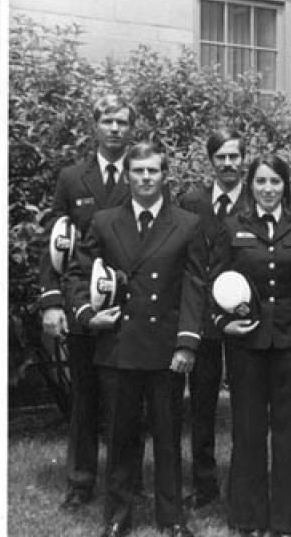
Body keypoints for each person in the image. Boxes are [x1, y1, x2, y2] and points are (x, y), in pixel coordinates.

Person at [67, 141, 207, 537]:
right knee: (120, 436)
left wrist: (186, 342)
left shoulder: (186, 223)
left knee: (167, 437)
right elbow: (78, 274)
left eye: (154, 171)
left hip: (165, 348)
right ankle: (117, 516)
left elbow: (195, 286)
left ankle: (172, 517)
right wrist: (88, 313)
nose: (146, 178)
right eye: (139, 171)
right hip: (119, 344)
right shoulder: (104, 221)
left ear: (166, 176)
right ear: (127, 175)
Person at [211, 154, 291, 537]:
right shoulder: (232, 227)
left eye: (275, 182)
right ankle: (247, 517)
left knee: (290, 430)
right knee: (248, 428)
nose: (268, 189)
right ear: (251, 185)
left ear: (286, 186)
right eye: (261, 182)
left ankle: (287, 519)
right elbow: (215, 283)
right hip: (247, 343)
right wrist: (226, 322)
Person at [37, 93, 137, 512]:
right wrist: (52, 301)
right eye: (108, 121)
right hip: (80, 302)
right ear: (95, 126)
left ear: (132, 130)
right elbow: (54, 241)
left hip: (126, 304)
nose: (115, 129)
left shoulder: (141, 173)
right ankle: (80, 483)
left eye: (122, 123)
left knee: (124, 400)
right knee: (84, 398)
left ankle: (125, 481)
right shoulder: (72, 178)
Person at [177, 128, 249, 509]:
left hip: (242, 323)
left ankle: (244, 482)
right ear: (211, 162)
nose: (227, 164)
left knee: (245, 407)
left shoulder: (258, 200)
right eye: (220, 157)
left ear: (244, 159)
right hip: (203, 322)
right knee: (202, 407)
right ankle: (204, 486)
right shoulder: (192, 202)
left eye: (234, 156)